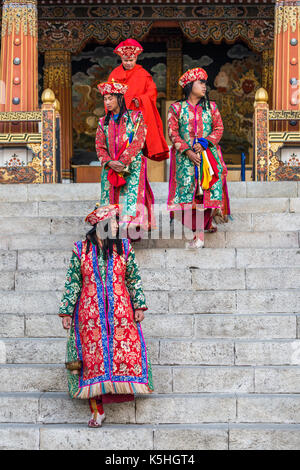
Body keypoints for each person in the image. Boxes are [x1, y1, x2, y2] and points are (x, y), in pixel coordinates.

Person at [58, 204, 154, 428]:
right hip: (89, 315)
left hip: (120, 313)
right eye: (111, 223)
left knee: (120, 355)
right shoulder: (81, 250)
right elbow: (73, 281)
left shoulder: (124, 248)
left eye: (115, 223)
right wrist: (66, 310)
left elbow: (133, 278)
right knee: (92, 363)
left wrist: (139, 305)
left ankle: (116, 392)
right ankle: (97, 410)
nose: (115, 226)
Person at [167, 67, 230, 249]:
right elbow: (173, 132)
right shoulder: (176, 108)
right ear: (189, 86)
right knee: (189, 196)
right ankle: (199, 231)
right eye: (200, 83)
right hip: (185, 161)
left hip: (208, 158)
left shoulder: (211, 107)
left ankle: (201, 232)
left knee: (207, 194)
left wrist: (205, 142)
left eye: (205, 83)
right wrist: (188, 151)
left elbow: (218, 129)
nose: (204, 86)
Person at [96, 79, 155, 239]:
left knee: (131, 200)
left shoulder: (136, 118)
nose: (107, 102)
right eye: (105, 99)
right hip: (110, 167)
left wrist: (123, 161)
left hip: (132, 167)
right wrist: (109, 162)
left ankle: (129, 233)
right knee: (109, 200)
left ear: (119, 99)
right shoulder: (103, 122)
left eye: (110, 98)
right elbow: (99, 146)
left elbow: (138, 141)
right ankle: (111, 233)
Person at [107, 38, 169, 162]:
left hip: (138, 117)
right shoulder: (114, 74)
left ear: (136, 58)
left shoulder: (143, 74)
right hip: (120, 117)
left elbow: (152, 92)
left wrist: (141, 99)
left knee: (136, 150)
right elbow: (108, 96)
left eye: (131, 60)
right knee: (120, 148)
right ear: (121, 59)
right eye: (126, 60)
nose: (129, 63)